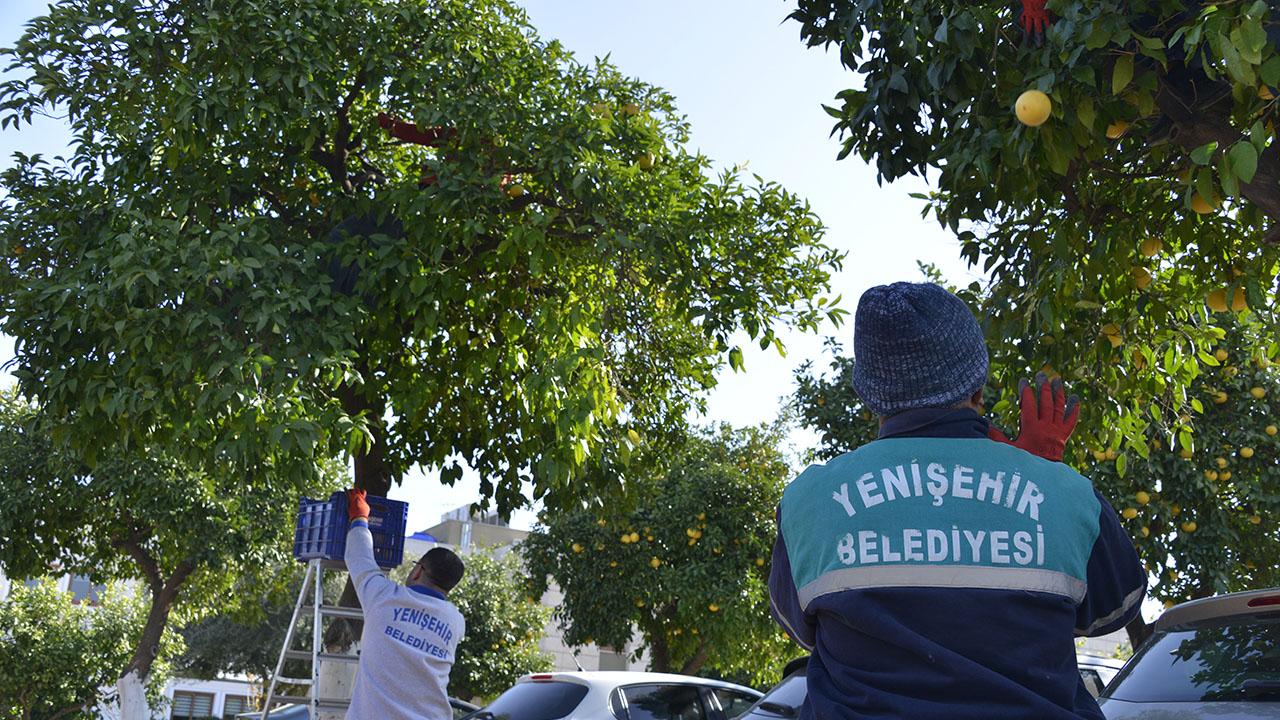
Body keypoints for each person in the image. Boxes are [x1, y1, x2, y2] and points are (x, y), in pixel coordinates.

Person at [768, 282, 1146, 719]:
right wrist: (1040, 482)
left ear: (872, 395)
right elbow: (1114, 609)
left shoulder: (808, 501)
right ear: (977, 386)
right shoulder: (1067, 495)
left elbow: (802, 627)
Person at [344, 488, 466, 720]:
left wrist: (359, 518)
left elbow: (359, 556)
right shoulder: (455, 622)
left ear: (418, 570)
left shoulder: (382, 597)